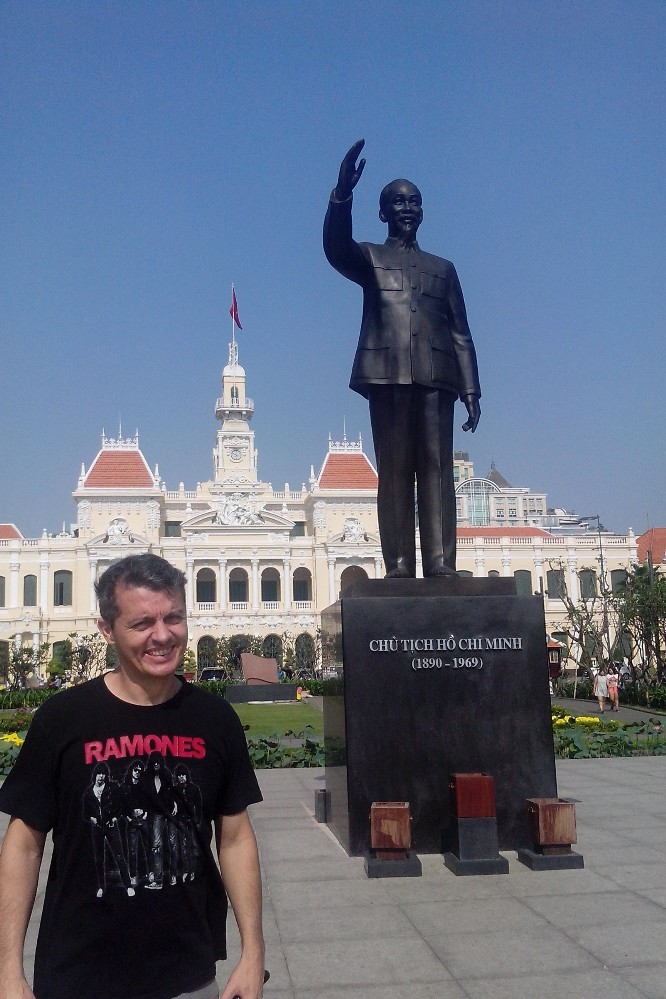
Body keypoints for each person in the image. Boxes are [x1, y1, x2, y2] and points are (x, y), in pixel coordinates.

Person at [0, 553, 265, 999]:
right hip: (78, 975)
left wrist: (253, 953)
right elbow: (24, 845)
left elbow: (235, 839)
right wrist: (8, 972)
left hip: (188, 974)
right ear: (107, 629)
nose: (162, 635)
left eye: (173, 618)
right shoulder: (62, 719)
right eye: (142, 623)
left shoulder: (214, 719)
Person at [324, 139, 481, 577]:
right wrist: (342, 195)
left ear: (422, 211)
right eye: (398, 201)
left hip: (437, 378)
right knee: (394, 471)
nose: (407, 208)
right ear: (382, 213)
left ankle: (441, 563)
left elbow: (460, 331)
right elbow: (335, 248)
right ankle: (398, 564)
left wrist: (471, 389)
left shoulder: (443, 268)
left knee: (437, 470)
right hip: (387, 375)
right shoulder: (370, 258)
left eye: (414, 201)